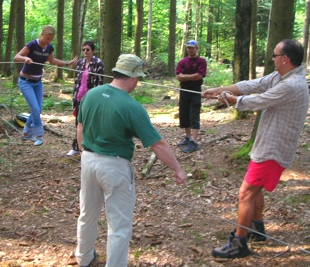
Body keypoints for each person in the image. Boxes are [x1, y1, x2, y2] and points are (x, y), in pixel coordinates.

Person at [75, 54, 187, 267]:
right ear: (133, 77)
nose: (138, 82)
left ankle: (84, 257)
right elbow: (158, 144)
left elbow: (80, 128)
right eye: (138, 78)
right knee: (119, 224)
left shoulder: (91, 95)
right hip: (114, 166)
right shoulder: (131, 106)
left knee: (87, 213)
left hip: (88, 161)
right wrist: (177, 169)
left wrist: (85, 154)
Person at [202, 39, 309, 258]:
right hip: (266, 145)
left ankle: (240, 243)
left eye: (274, 55)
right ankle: (256, 229)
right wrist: (218, 90)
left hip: (273, 149)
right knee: (254, 190)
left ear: (285, 59)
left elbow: (258, 101)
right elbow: (252, 85)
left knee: (246, 193)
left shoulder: (292, 84)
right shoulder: (281, 76)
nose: (272, 58)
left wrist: (230, 100)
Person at [14, 25, 78, 146]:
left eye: (51, 39)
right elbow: (16, 57)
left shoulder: (49, 47)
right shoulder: (32, 44)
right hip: (25, 81)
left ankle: (26, 134)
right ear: (42, 34)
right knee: (36, 109)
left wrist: (67, 63)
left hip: (38, 83)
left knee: (38, 109)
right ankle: (39, 135)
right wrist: (25, 58)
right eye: (48, 38)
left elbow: (52, 61)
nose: (49, 41)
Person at [66, 41, 104, 156]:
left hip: (90, 98)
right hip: (79, 97)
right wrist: (74, 98)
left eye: (87, 49)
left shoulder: (98, 63)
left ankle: (90, 147)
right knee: (78, 123)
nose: (85, 52)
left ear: (93, 51)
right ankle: (77, 147)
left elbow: (99, 84)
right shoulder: (80, 63)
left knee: (90, 123)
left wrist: (97, 100)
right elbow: (76, 82)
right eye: (83, 50)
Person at [176, 39, 207, 153]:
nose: (190, 49)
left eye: (192, 48)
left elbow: (199, 76)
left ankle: (194, 141)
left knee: (194, 114)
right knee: (184, 114)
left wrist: (185, 77)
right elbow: (179, 76)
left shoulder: (201, 61)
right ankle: (188, 137)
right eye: (188, 47)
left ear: (197, 49)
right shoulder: (182, 62)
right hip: (184, 90)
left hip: (195, 90)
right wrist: (188, 77)